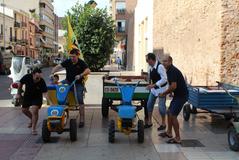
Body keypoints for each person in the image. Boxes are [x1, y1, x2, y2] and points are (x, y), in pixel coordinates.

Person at [51, 48, 91, 128]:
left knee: (80, 99)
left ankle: (82, 119)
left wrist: (80, 75)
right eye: (70, 56)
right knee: (58, 89)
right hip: (67, 81)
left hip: (78, 83)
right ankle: (62, 114)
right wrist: (52, 73)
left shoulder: (81, 63)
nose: (72, 58)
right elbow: (58, 66)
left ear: (77, 56)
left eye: (73, 56)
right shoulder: (68, 62)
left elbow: (88, 70)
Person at [159, 55, 188, 144]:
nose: (164, 63)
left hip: (181, 96)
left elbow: (173, 86)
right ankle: (169, 132)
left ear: (170, 62)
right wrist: (171, 92)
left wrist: (164, 93)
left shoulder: (173, 71)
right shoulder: (168, 70)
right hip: (178, 95)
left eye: (166, 61)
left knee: (173, 115)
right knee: (169, 112)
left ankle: (178, 138)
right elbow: (172, 84)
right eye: (163, 61)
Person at [16, 68, 51, 135]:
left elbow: (45, 93)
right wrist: (18, 93)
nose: (39, 79)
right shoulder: (27, 77)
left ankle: (33, 128)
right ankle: (32, 119)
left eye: (40, 77)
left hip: (37, 97)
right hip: (28, 96)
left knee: (34, 110)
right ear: (33, 75)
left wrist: (49, 102)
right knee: (24, 110)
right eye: (37, 78)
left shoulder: (42, 81)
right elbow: (20, 83)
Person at [144, 53, 168, 130]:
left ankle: (163, 123)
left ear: (151, 59)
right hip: (154, 90)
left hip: (162, 90)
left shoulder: (160, 66)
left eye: (147, 60)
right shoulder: (150, 67)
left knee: (161, 107)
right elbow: (151, 77)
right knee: (149, 105)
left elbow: (164, 79)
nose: (147, 62)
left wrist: (154, 85)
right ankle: (149, 122)